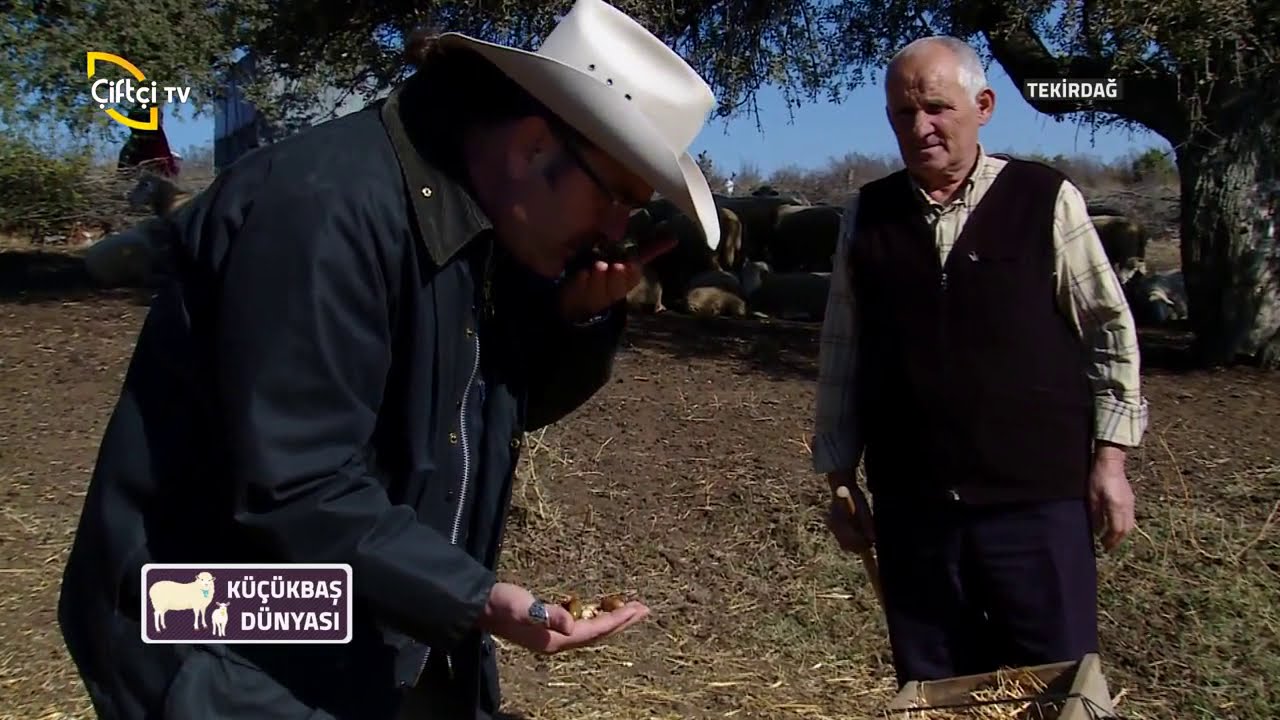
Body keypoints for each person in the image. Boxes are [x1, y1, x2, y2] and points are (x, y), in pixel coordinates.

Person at [56, 1, 721, 718]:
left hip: (348, 619)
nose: (618, 230)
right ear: (533, 146)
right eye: (616, 196)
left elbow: (485, 418)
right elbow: (297, 483)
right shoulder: (328, 211)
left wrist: (575, 321)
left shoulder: (475, 231)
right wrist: (476, 598)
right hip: (216, 627)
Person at [812, 36, 1147, 687]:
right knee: (942, 692)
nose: (920, 127)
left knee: (1059, 687)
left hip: (1036, 507)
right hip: (918, 514)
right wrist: (840, 478)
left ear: (984, 105)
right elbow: (841, 352)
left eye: (936, 108)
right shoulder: (868, 217)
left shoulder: (1044, 200)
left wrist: (1111, 458)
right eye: (903, 115)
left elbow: (1110, 332)